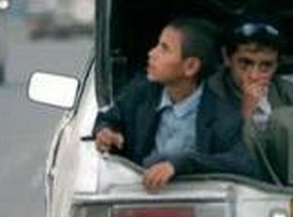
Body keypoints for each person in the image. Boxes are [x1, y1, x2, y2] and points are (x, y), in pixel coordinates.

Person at [92, 16, 255, 190]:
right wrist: (105, 131)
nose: (151, 53)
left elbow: (242, 161)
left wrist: (180, 165)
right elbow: (110, 116)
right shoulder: (142, 93)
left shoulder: (222, 113)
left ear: (190, 66)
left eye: (164, 49)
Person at [207, 18, 293, 185]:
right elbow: (212, 152)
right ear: (227, 58)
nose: (254, 75)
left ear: (277, 65)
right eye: (245, 63)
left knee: (289, 118)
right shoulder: (207, 96)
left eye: (265, 66)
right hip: (237, 191)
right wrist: (245, 113)